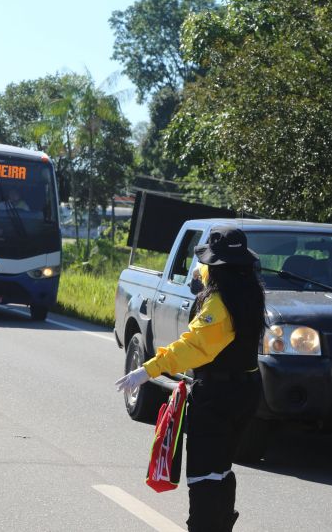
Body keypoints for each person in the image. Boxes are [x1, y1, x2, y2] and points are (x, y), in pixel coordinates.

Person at [115, 225, 265, 532]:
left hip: (216, 396)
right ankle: (220, 525)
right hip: (246, 390)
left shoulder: (219, 303)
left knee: (203, 475)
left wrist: (148, 369)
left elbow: (194, 348)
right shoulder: (251, 293)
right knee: (220, 469)